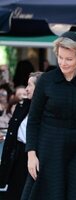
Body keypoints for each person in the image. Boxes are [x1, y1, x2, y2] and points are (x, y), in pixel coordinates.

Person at [21, 32, 76, 200]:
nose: (63, 63)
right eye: (60, 57)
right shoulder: (46, 80)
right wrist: (31, 155)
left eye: (69, 59)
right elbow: (34, 120)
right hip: (48, 151)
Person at [0, 72, 43, 200]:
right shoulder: (23, 105)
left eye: (30, 85)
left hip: (35, 158)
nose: (26, 89)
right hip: (17, 155)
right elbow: (15, 131)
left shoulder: (47, 110)